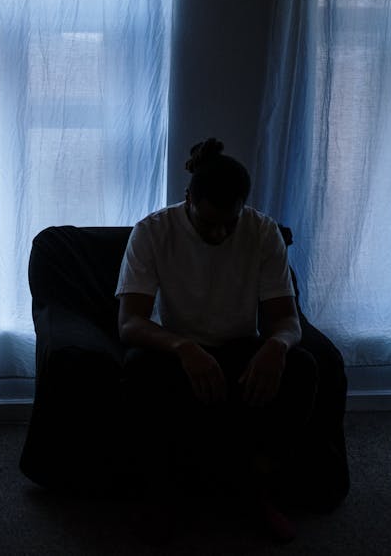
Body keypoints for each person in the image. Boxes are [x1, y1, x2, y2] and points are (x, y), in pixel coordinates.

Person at [115, 138, 317, 543]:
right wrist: (183, 347)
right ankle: (165, 498)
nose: (220, 232)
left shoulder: (263, 232)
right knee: (138, 368)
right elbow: (130, 323)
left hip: (240, 348)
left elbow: (287, 320)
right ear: (188, 199)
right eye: (208, 223)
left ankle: (258, 491)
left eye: (229, 222)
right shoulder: (152, 232)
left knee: (303, 368)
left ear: (243, 207)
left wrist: (276, 346)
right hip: (179, 349)